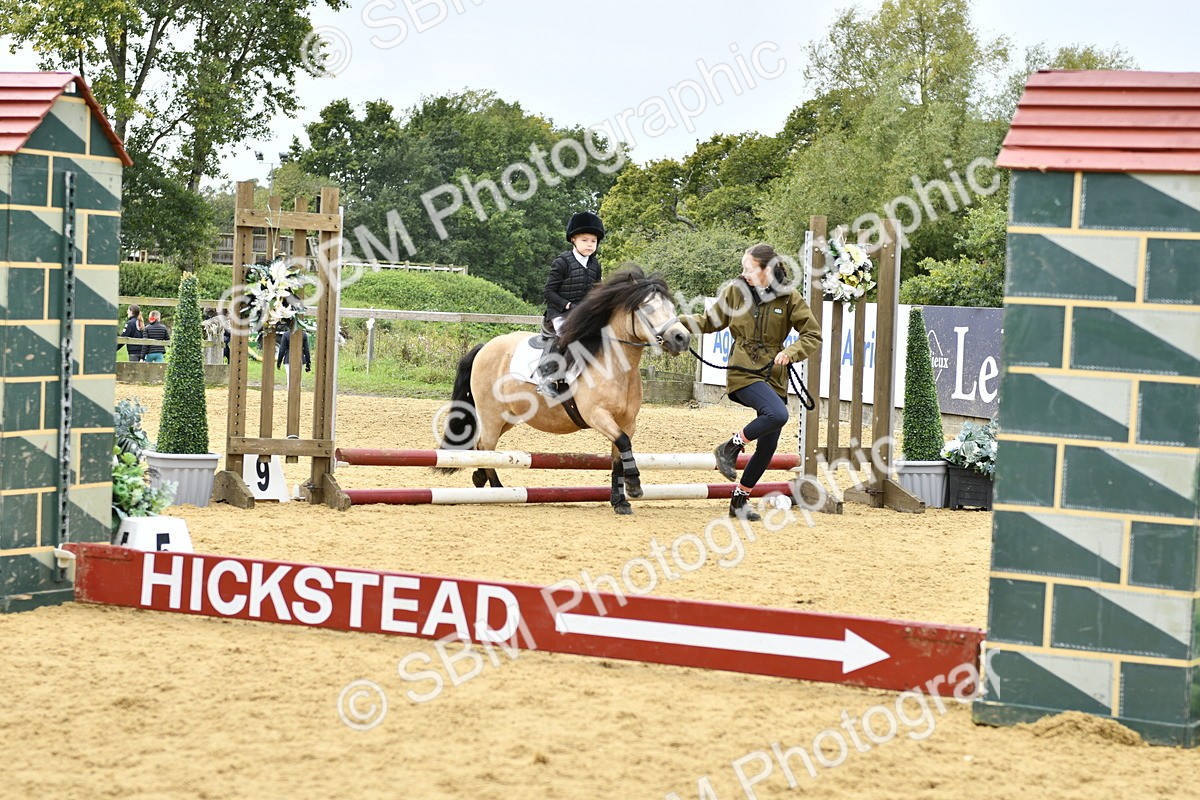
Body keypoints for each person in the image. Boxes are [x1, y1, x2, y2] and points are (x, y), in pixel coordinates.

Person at [679, 243, 822, 521]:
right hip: (743, 371)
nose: (743, 274)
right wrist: (675, 322)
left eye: (748, 269)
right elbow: (710, 322)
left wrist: (790, 353)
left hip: (774, 376)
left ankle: (739, 500)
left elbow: (812, 334)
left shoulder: (789, 297)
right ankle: (730, 447)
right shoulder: (735, 291)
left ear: (767, 270)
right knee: (778, 414)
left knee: (768, 446)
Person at [536, 210, 605, 398]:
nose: (590, 245)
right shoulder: (562, 262)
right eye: (585, 240)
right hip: (559, 312)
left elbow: (595, 291)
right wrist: (567, 305)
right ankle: (546, 378)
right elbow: (548, 292)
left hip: (582, 314)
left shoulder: (595, 264)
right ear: (573, 239)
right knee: (567, 334)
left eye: (593, 241)